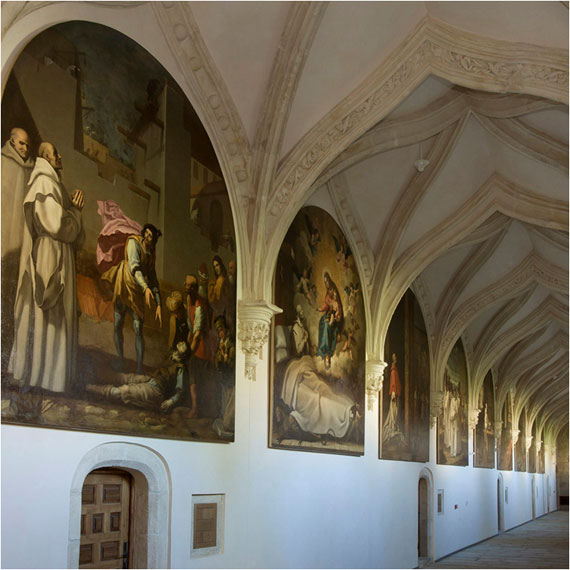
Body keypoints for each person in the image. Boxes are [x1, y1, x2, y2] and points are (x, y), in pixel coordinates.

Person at [8, 142, 85, 392]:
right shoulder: (44, 183)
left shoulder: (50, 182)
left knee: (51, 318)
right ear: (45, 157)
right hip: (49, 256)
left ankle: (47, 377)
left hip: (52, 253)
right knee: (49, 316)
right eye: (55, 153)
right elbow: (58, 226)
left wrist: (73, 212)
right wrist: (75, 211)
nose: (60, 155)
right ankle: (43, 378)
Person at [102, 223, 162, 373]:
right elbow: (135, 268)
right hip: (124, 284)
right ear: (143, 234)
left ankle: (139, 369)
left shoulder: (151, 254)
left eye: (151, 237)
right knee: (118, 324)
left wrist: (159, 303)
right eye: (147, 235)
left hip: (138, 291)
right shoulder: (133, 243)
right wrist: (146, 287)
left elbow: (153, 278)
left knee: (138, 329)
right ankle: (120, 360)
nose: (148, 238)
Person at [85, 340, 196, 414]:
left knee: (122, 391)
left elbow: (180, 391)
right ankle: (92, 375)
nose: (176, 353)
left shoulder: (181, 369)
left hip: (156, 391)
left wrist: (170, 402)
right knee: (122, 378)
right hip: (150, 379)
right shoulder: (170, 360)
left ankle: (89, 387)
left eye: (179, 352)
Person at [1, 128, 34, 369]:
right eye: (20, 144)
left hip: (18, 251)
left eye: (26, 145)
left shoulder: (31, 170)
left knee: (11, 305)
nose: (24, 149)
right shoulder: (2, 162)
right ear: (11, 141)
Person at [185, 274, 212, 417]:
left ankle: (196, 409)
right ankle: (195, 407)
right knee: (192, 376)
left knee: (197, 377)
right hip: (195, 343)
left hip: (203, 347)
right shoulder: (188, 299)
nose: (187, 288)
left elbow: (197, 333)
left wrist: (190, 351)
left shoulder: (200, 307)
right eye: (187, 285)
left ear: (195, 288)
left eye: (191, 286)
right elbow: (191, 328)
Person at [213, 315, 235, 437]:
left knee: (229, 404)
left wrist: (224, 356)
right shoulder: (221, 343)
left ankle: (229, 424)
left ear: (226, 329)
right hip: (224, 379)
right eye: (218, 331)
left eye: (221, 330)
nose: (220, 333)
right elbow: (217, 362)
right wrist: (219, 357)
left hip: (231, 380)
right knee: (224, 400)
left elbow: (232, 363)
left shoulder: (231, 345)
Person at [316, 272, 343, 369]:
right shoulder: (328, 293)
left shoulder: (334, 292)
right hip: (329, 313)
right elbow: (326, 305)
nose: (326, 284)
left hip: (334, 318)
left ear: (329, 281)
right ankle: (322, 344)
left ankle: (324, 345)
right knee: (322, 322)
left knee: (327, 325)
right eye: (325, 282)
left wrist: (336, 316)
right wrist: (320, 309)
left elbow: (338, 308)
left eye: (327, 282)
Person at [208, 255, 232, 328]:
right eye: (214, 266)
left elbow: (225, 300)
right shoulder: (216, 281)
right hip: (217, 313)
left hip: (223, 313)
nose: (216, 268)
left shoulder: (224, 281)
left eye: (217, 265)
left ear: (221, 265)